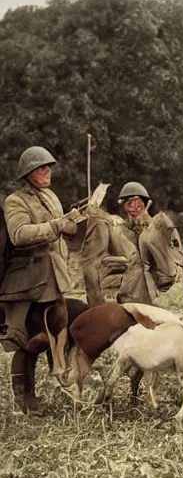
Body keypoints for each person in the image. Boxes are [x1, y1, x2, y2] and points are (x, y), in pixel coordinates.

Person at [1, 146, 79, 374]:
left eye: (48, 167)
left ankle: (60, 371)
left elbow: (60, 232)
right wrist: (56, 226)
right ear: (29, 172)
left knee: (57, 326)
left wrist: (73, 222)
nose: (48, 172)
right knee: (28, 340)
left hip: (53, 278)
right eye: (42, 168)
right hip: (29, 280)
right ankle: (24, 398)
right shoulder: (16, 200)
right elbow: (19, 234)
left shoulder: (51, 196)